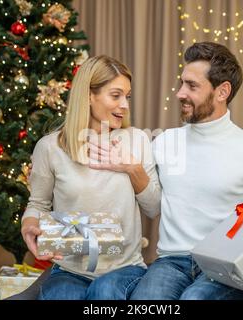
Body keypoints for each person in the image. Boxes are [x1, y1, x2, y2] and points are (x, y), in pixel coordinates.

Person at [89, 42, 243, 300]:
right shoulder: (164, 142)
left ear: (222, 92)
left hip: (226, 265)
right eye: (182, 83)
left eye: (192, 86)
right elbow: (149, 203)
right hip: (172, 262)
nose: (180, 93)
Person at [20, 55, 161, 300]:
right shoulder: (50, 147)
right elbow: (37, 205)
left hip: (124, 269)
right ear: (88, 95)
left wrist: (132, 168)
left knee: (104, 293)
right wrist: (29, 226)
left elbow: (153, 208)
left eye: (127, 96)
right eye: (115, 95)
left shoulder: (136, 140)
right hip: (70, 269)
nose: (125, 105)